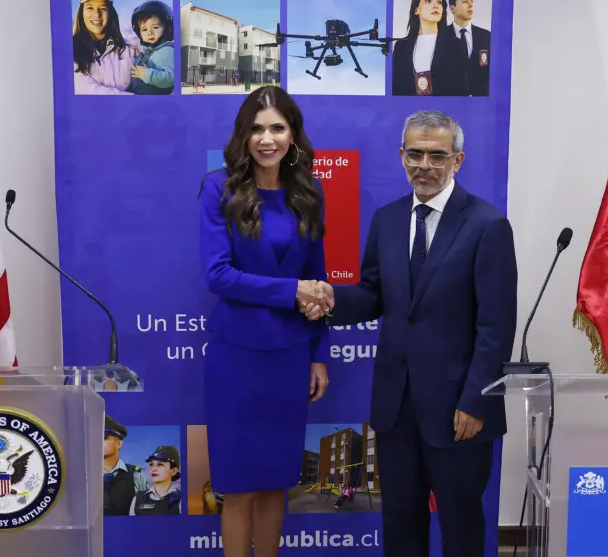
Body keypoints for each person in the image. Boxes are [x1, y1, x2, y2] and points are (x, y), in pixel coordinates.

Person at [302, 110, 517, 555]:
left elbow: (496, 326)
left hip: (460, 412)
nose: (425, 165)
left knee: (461, 529)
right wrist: (329, 300)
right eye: (415, 154)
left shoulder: (487, 225)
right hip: (396, 407)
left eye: (437, 156)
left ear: (457, 161)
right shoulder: (387, 219)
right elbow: (374, 295)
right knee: (400, 527)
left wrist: (476, 400)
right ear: (401, 156)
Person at [198, 85, 331, 557]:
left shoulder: (309, 192)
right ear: (243, 135)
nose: (266, 138)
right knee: (240, 485)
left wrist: (319, 355)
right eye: (256, 128)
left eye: (277, 127)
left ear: (293, 134)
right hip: (237, 357)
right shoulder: (220, 187)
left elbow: (317, 281)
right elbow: (218, 275)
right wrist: (290, 290)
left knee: (277, 481)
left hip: (292, 356)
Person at [391, 0, 466, 96]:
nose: (435, 5)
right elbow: (396, 86)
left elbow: (462, 89)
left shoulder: (456, 45)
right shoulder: (401, 46)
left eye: (439, 2)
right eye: (428, 1)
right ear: (416, 10)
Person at [72, 0, 137, 95]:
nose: (96, 14)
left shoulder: (129, 48)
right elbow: (86, 89)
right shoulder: (71, 49)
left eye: (102, 8)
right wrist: (137, 100)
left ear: (110, 13)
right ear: (81, 12)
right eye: (90, 8)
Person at [449, 0, 491, 96]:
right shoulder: (440, 36)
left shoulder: (487, 36)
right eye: (465, 1)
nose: (470, 5)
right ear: (452, 8)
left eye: (472, 1)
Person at [127, 0, 174, 95]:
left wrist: (146, 74)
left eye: (155, 27)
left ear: (167, 28)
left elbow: (170, 78)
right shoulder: (149, 51)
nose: (150, 32)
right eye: (144, 29)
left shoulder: (167, 50)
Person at [102, 415, 146, 515]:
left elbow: (144, 512)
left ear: (119, 444)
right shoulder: (86, 475)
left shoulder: (136, 475)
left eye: (105, 438)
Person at [130, 446, 182, 515]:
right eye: (151, 464)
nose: (153, 469)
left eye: (160, 464)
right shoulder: (137, 499)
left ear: (173, 471)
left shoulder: (181, 500)